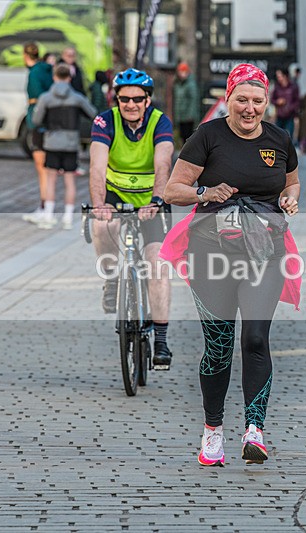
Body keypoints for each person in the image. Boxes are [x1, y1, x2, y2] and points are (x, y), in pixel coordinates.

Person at [161, 63, 301, 467]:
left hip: (265, 254)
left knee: (255, 338)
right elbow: (172, 190)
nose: (250, 108)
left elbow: (292, 182)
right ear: (228, 98)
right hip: (211, 255)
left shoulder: (279, 139)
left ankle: (255, 430)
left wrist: (290, 199)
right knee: (219, 346)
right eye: (242, 99)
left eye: (258, 101)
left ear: (267, 102)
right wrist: (204, 193)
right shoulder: (208, 136)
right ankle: (213, 429)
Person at [89, 68, 175, 368]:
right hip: (115, 196)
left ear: (147, 99)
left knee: (157, 264)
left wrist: (157, 200)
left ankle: (161, 339)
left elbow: (163, 163)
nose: (131, 104)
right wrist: (99, 204)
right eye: (124, 99)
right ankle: (112, 279)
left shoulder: (160, 122)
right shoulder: (105, 121)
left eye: (138, 99)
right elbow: (97, 166)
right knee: (103, 226)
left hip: (151, 201)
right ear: (116, 99)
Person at [32, 63, 97, 229]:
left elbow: (36, 120)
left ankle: (49, 214)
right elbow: (92, 113)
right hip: (71, 143)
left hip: (52, 142)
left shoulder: (46, 98)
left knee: (51, 179)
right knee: (70, 180)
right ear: (69, 77)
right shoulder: (77, 98)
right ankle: (68, 217)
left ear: (54, 77)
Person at [22, 42, 54, 224]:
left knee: (42, 167)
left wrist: (35, 120)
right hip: (49, 121)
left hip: (39, 121)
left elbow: (37, 97)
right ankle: (46, 205)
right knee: (47, 168)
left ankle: (44, 206)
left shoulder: (34, 73)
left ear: (25, 55)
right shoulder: (47, 69)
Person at [172, 61, 200, 146]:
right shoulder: (178, 84)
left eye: (184, 72)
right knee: (182, 137)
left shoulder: (191, 84)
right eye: (180, 71)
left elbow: (193, 100)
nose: (182, 74)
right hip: (180, 116)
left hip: (188, 118)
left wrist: (190, 115)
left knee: (188, 137)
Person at [271, 68, 300, 139]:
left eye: (279, 76)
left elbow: (297, 101)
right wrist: (277, 101)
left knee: (289, 137)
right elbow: (272, 99)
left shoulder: (293, 86)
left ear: (285, 76)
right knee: (277, 137)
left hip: (290, 116)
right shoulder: (277, 87)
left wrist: (290, 108)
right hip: (279, 115)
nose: (278, 78)